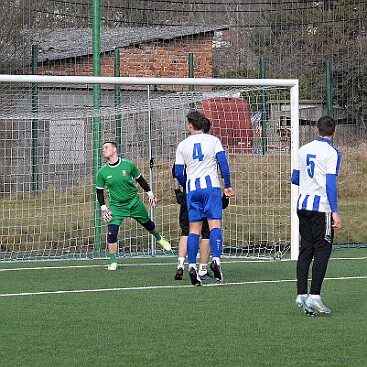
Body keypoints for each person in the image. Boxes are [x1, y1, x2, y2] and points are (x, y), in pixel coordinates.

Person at [175, 110, 234, 286]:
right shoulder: (214, 141)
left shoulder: (182, 145)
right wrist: (228, 185)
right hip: (211, 188)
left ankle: (192, 265)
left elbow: (178, 172)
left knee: (194, 229)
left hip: (193, 190)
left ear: (191, 126)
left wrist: (188, 184)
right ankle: (215, 260)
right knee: (214, 224)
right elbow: (223, 163)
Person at [291, 115, 342, 315]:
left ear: (316, 130)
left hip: (302, 205)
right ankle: (315, 297)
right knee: (323, 249)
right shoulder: (332, 153)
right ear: (334, 132)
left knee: (307, 248)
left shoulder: (302, 150)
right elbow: (330, 184)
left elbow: (295, 178)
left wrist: (308, 183)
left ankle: (301, 294)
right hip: (321, 208)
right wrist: (335, 212)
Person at [96, 142, 171, 270]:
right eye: (102, 148)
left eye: (106, 147)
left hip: (134, 203)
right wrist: (104, 208)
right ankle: (113, 262)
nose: (103, 150)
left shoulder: (128, 165)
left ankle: (159, 238)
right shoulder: (102, 172)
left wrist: (150, 194)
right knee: (111, 233)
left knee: (148, 225)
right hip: (116, 207)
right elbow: (99, 191)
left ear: (115, 149)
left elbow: (140, 180)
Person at [172, 164, 230, 281]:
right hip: (208, 194)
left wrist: (178, 190)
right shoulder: (211, 148)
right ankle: (202, 269)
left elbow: (176, 172)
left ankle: (181, 265)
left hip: (191, 193)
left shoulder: (186, 147)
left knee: (187, 231)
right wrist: (225, 193)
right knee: (207, 232)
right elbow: (223, 171)